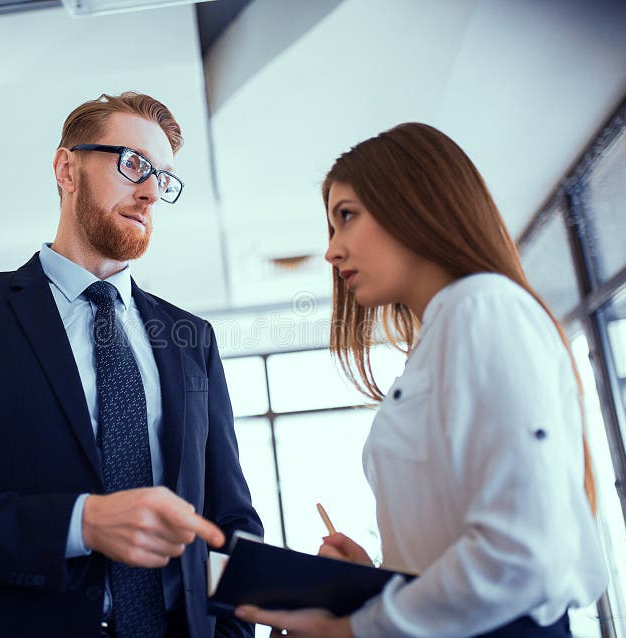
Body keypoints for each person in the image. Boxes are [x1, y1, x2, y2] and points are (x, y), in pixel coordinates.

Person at [0, 91, 262, 638]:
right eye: (134, 165)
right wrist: (82, 523)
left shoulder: (191, 338)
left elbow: (229, 519)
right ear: (67, 168)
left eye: (164, 180)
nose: (151, 191)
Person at [235, 123, 607, 637]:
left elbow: (519, 554)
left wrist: (353, 630)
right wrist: (378, 582)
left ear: (414, 204)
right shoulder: (444, 332)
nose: (332, 250)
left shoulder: (483, 308)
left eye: (347, 218)